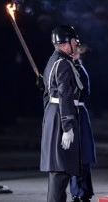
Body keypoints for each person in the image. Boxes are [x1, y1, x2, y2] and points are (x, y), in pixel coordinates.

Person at [40, 25, 83, 202]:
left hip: (53, 115)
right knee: (61, 172)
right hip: (60, 118)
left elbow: (47, 95)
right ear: (65, 43)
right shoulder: (63, 64)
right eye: (74, 41)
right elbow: (65, 95)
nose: (76, 44)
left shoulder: (53, 61)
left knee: (59, 174)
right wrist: (67, 125)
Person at [70, 46, 97, 202]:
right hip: (67, 113)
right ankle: (76, 190)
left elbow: (84, 93)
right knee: (72, 156)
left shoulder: (79, 69)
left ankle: (83, 191)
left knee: (81, 155)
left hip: (78, 113)